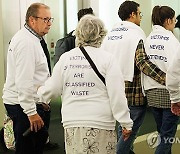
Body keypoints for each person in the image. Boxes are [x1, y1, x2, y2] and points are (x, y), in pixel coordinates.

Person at [37, 14, 133, 154]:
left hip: (72, 121)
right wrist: (126, 122)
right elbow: (117, 94)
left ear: (78, 33)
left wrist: (39, 93)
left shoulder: (66, 58)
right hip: (101, 122)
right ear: (101, 34)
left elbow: (53, 89)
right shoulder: (108, 59)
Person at [101, 1, 166, 154]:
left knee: (121, 130)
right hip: (133, 93)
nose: (141, 17)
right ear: (132, 15)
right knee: (128, 134)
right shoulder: (136, 34)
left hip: (111, 91)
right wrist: (165, 78)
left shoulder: (110, 34)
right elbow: (143, 62)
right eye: (140, 13)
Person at [2, 3, 54, 154]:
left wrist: (41, 99)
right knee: (28, 148)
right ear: (32, 20)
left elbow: (34, 76)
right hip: (22, 106)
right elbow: (24, 81)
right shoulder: (26, 43)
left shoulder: (31, 38)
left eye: (51, 19)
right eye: (45, 19)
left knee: (38, 140)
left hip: (25, 102)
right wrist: (31, 112)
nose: (49, 23)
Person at [145, 6, 180, 154]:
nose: (175, 21)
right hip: (169, 94)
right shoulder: (172, 40)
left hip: (152, 94)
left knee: (162, 136)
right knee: (167, 138)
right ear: (167, 20)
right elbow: (176, 71)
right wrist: (176, 97)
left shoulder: (148, 39)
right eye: (174, 19)